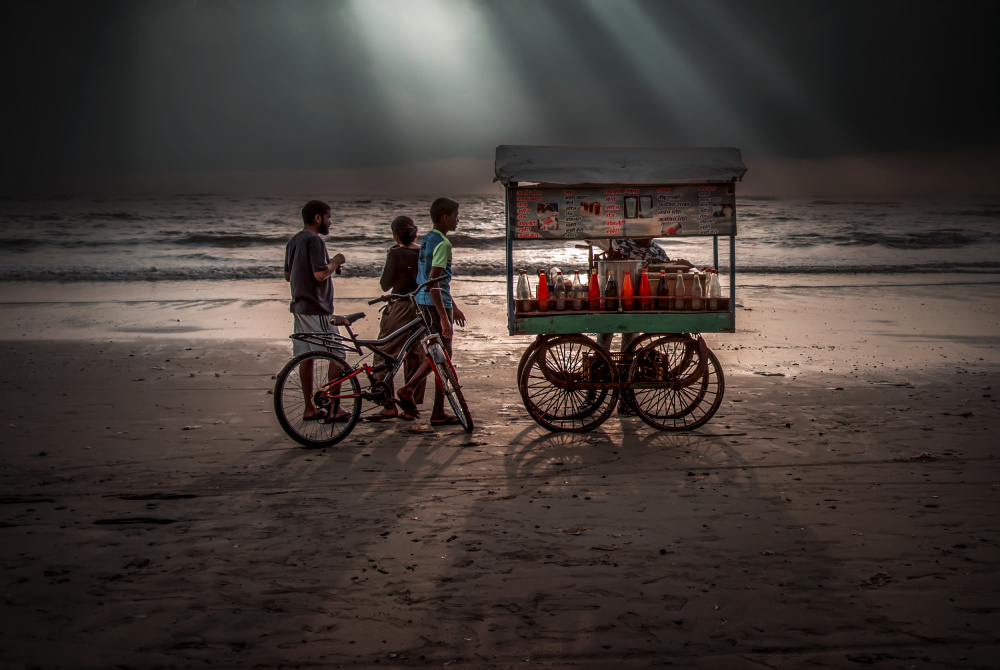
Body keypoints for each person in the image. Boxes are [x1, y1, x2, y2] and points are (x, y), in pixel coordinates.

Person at [394, 198, 467, 425]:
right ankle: (409, 389)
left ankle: (438, 411)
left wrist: (452, 306)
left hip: (424, 301)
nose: (458, 219)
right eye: (456, 215)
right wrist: (445, 316)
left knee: (441, 355)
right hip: (434, 304)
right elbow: (434, 282)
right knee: (441, 356)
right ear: (445, 217)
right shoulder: (443, 244)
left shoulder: (428, 239)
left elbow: (431, 280)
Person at [284, 199, 350, 422]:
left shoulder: (293, 241)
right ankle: (334, 407)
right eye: (328, 217)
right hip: (317, 308)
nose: (330, 222)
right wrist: (336, 260)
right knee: (339, 354)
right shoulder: (314, 240)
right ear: (318, 218)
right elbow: (320, 274)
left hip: (299, 307)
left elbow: (288, 275)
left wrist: (326, 267)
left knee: (306, 357)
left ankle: (309, 408)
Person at [366, 216, 427, 421]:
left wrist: (390, 254)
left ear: (395, 234)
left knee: (384, 353)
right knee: (414, 354)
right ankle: (410, 405)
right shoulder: (422, 252)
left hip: (400, 306)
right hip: (421, 306)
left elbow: (385, 284)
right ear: (415, 232)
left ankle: (388, 404)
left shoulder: (396, 253)